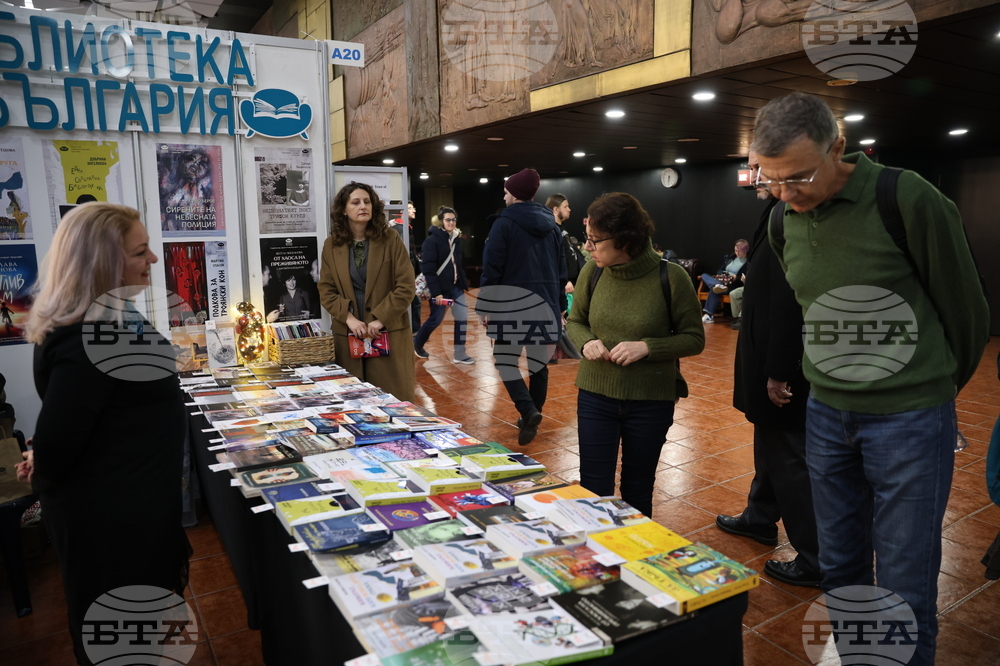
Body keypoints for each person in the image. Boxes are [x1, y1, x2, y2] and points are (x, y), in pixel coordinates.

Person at [756, 92, 989, 664]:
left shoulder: (905, 197)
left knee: (906, 582)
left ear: (839, 146)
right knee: (841, 569)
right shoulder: (782, 218)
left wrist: (928, 391)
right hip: (826, 415)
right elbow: (810, 304)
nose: (786, 194)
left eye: (799, 177)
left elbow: (966, 313)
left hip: (910, 419)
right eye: (771, 180)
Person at [18, 202, 190, 665]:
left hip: (133, 512)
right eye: (141, 251)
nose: (153, 260)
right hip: (115, 532)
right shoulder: (87, 337)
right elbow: (58, 446)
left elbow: (83, 419)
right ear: (103, 263)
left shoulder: (108, 319)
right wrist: (45, 459)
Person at [716, 148, 820, 588]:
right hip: (766, 354)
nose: (751, 174)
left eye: (759, 166)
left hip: (783, 364)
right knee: (770, 443)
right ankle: (760, 516)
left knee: (790, 459)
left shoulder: (792, 214)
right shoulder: (776, 209)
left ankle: (816, 557)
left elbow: (788, 301)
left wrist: (780, 370)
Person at [566, 193, 705, 517]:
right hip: (596, 396)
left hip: (650, 400)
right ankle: (595, 563)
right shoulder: (592, 272)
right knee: (593, 489)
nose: (588, 247)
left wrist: (648, 347)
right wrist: (586, 341)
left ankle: (633, 562)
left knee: (637, 491)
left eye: (595, 241)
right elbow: (575, 321)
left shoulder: (671, 277)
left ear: (625, 241)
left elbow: (694, 339)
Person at [478, 168, 567, 446]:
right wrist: (561, 307)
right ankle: (532, 414)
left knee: (505, 362)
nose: (503, 195)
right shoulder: (553, 226)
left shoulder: (502, 224)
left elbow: (492, 269)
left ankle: (528, 411)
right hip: (546, 305)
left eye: (506, 191)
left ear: (514, 194)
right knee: (539, 366)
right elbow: (562, 272)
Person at [319, 182, 417, 401]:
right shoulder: (331, 246)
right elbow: (326, 290)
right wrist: (349, 319)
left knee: (393, 403)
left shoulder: (391, 239)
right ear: (343, 210)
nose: (363, 206)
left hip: (388, 333)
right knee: (354, 404)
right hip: (348, 336)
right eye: (355, 202)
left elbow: (406, 286)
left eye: (367, 201)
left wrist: (379, 320)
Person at [412, 207, 474, 364]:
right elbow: (429, 270)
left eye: (453, 220)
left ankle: (460, 353)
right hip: (439, 288)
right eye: (448, 220)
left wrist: (462, 281)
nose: (451, 222)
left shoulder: (456, 239)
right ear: (441, 221)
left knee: (462, 318)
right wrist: (437, 292)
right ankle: (417, 343)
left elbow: (458, 264)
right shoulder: (432, 241)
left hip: (456, 287)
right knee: (435, 319)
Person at [700, 240, 748, 323]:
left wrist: (736, 278)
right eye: (735, 250)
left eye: (739, 251)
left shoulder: (748, 262)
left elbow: (746, 278)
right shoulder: (730, 258)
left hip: (732, 285)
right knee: (704, 275)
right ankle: (717, 284)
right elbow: (720, 269)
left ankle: (709, 315)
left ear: (744, 251)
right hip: (723, 280)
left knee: (714, 290)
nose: (737, 253)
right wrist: (723, 274)